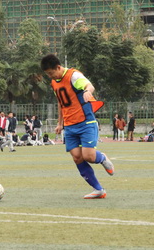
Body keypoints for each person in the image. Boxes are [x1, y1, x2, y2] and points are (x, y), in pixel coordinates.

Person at [41, 54, 113, 199]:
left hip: (85, 122)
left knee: (88, 156)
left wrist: (87, 91)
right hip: (69, 125)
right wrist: (60, 123)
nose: (50, 76)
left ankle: (102, 158)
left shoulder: (73, 76)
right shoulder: (54, 83)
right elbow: (61, 102)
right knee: (77, 157)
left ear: (58, 67)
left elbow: (89, 85)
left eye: (51, 73)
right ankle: (98, 189)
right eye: (47, 74)